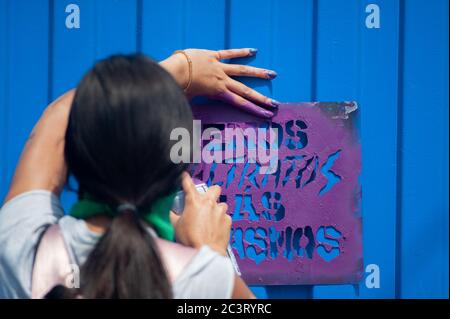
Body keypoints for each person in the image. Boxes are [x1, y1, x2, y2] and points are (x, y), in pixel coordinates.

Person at [0, 48, 278, 298]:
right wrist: (211, 254)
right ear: (177, 168)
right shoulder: (206, 280)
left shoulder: (22, 249)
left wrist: (181, 70)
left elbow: (58, 118)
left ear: (75, 156)